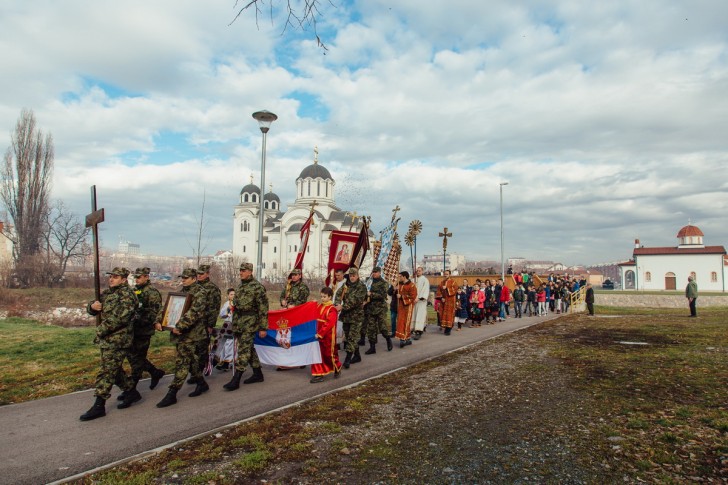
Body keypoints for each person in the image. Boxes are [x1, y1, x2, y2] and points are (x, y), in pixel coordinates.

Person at [80, 267, 139, 421]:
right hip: (108, 339)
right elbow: (95, 306)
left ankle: (99, 405)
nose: (111, 279)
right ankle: (131, 391)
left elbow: (121, 318)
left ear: (124, 279)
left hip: (119, 340)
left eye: (116, 277)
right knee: (114, 369)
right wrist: (92, 307)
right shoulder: (108, 293)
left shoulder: (127, 295)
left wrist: (100, 330)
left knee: (107, 371)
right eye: (111, 276)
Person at [155, 268, 210, 408]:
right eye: (182, 278)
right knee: (191, 360)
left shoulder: (200, 293)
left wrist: (180, 326)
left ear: (193, 278)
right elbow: (168, 307)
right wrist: (159, 320)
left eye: (186, 278)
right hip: (179, 332)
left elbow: (194, 313)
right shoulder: (181, 291)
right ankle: (201, 383)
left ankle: (172, 393)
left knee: (182, 362)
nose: (183, 280)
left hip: (191, 334)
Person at [119, 267, 165, 405]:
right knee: (133, 357)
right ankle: (154, 372)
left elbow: (155, 312)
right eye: (136, 277)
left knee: (137, 360)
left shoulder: (152, 293)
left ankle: (131, 390)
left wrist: (139, 318)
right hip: (132, 330)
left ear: (146, 277)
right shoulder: (134, 291)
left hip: (143, 331)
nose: (137, 279)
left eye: (139, 277)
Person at [223, 262, 269, 391]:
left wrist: (263, 327)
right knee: (249, 349)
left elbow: (263, 309)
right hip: (239, 323)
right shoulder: (240, 287)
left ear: (250, 271)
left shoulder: (257, 288)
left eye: (244, 271)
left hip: (251, 323)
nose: (241, 273)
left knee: (243, 350)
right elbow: (236, 306)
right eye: (240, 270)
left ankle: (236, 379)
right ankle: (257, 374)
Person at [334, 267, 368, 368]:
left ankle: (348, 359)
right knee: (349, 338)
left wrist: (342, 306)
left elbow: (356, 301)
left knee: (352, 337)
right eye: (350, 276)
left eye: (354, 276)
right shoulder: (346, 285)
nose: (352, 278)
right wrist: (337, 304)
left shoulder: (361, 287)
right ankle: (357, 356)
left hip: (356, 317)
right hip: (346, 316)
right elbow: (338, 295)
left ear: (357, 276)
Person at [278, 268, 310, 370]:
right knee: (287, 337)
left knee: (298, 337)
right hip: (287, 315)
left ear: (300, 276)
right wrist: (282, 301)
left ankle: (302, 359)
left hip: (298, 314)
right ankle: (288, 361)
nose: (294, 276)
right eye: (292, 275)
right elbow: (282, 296)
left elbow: (303, 300)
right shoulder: (288, 285)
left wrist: (294, 305)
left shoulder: (303, 287)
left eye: (296, 275)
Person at [310, 287, 342, 383]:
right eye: (321, 296)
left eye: (324, 297)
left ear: (330, 297)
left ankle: (337, 367)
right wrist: (312, 304)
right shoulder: (320, 306)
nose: (322, 298)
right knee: (317, 354)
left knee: (329, 355)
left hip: (328, 337)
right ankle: (319, 373)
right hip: (318, 336)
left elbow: (329, 324)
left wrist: (320, 333)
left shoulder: (332, 309)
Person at [196, 264, 221, 377]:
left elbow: (214, 309)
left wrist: (210, 325)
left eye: (201, 274)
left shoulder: (213, 289)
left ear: (207, 274)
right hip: (194, 323)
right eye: (198, 274)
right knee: (194, 348)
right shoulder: (194, 286)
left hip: (205, 323)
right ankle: (211, 360)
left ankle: (198, 374)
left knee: (201, 348)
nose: (199, 276)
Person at [363, 266, 394, 354]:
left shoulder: (384, 283)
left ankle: (388, 340)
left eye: (376, 272)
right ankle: (372, 347)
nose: (374, 273)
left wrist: (371, 294)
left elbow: (383, 295)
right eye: (373, 272)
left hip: (380, 308)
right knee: (371, 328)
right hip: (371, 308)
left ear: (380, 273)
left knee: (382, 327)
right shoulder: (369, 282)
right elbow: (365, 292)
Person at [212, 288, 236, 370]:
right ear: (228, 296)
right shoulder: (226, 303)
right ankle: (218, 359)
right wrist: (228, 309)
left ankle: (228, 362)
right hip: (226, 325)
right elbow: (221, 315)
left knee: (230, 343)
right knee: (221, 341)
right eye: (231, 294)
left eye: (234, 294)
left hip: (234, 325)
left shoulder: (239, 303)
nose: (233, 296)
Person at [395, 271, 418, 347]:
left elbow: (413, 296)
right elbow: (392, 293)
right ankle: (407, 338)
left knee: (406, 322)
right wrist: (394, 289)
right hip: (401, 306)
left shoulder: (412, 285)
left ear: (404, 277)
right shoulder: (400, 284)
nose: (399, 278)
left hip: (408, 306)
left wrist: (401, 296)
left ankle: (403, 339)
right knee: (400, 322)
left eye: (400, 276)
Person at [412, 267, 430, 339]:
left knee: (420, 316)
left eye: (419, 271)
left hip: (421, 301)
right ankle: (413, 329)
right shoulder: (413, 280)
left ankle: (419, 331)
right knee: (414, 315)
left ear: (422, 271)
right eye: (417, 271)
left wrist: (419, 298)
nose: (418, 272)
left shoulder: (425, 280)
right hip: (414, 301)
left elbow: (425, 289)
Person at [438, 270, 457, 335]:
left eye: (447, 274)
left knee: (449, 314)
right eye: (445, 274)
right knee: (443, 314)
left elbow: (455, 290)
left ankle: (448, 329)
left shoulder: (453, 282)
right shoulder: (442, 282)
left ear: (450, 274)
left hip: (450, 300)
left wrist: (447, 288)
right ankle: (444, 327)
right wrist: (441, 297)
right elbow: (439, 290)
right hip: (443, 301)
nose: (445, 275)